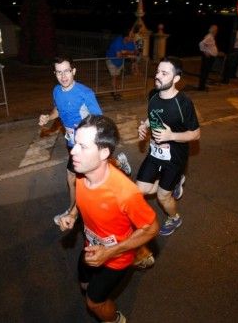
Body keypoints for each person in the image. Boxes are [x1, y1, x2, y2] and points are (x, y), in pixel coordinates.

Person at [58, 114, 159, 323]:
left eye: (83, 147)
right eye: (75, 143)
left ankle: (115, 320)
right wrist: (73, 214)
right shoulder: (81, 171)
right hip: (91, 247)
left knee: (94, 302)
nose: (73, 151)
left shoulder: (125, 192)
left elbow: (151, 228)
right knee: (85, 286)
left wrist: (110, 252)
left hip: (116, 258)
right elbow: (83, 198)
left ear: (104, 152)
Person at [39, 57, 131, 226]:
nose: (63, 76)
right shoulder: (57, 91)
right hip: (70, 140)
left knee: (72, 176)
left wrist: (83, 127)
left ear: (73, 71)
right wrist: (49, 117)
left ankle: (72, 210)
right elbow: (58, 110)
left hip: (84, 142)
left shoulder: (85, 93)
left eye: (67, 71)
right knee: (91, 168)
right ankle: (118, 161)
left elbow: (98, 119)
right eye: (59, 72)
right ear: (55, 74)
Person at [137, 57, 201, 236]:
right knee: (139, 190)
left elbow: (196, 134)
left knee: (163, 197)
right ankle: (173, 184)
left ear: (176, 79)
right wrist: (144, 126)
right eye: (158, 71)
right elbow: (153, 116)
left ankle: (175, 218)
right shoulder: (153, 95)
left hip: (175, 157)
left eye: (164, 73)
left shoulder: (184, 104)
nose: (158, 76)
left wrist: (171, 135)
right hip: (155, 152)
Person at [105, 29, 136, 100]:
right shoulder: (118, 41)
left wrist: (125, 52)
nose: (133, 38)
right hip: (111, 59)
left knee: (116, 75)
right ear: (126, 37)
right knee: (114, 76)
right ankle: (114, 92)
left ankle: (114, 88)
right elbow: (118, 55)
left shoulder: (130, 42)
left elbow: (134, 52)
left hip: (120, 61)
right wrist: (128, 54)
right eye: (131, 36)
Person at [198, 24, 218, 91]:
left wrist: (206, 50)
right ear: (212, 30)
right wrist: (205, 52)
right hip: (207, 58)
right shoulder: (209, 36)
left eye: (216, 30)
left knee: (206, 72)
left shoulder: (211, 36)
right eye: (215, 30)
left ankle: (202, 86)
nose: (216, 31)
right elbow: (201, 44)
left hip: (209, 57)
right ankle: (201, 87)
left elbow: (207, 45)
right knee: (204, 72)